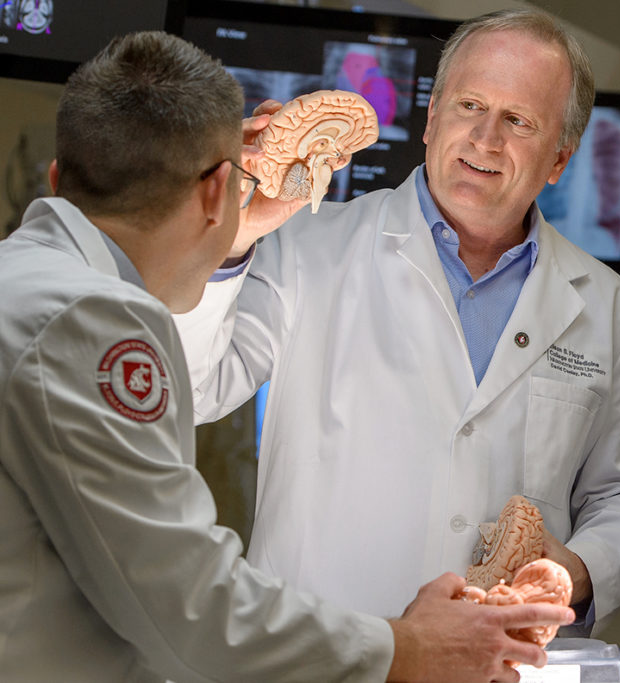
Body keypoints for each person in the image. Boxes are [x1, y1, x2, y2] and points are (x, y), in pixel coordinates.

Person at [0, 30, 575, 682]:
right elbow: (191, 607)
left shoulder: (23, 281)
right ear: (221, 191)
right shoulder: (89, 321)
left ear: (58, 178)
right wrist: (409, 648)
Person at [174, 8, 620, 635]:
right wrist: (234, 236)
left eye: (519, 121)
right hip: (328, 653)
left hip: (505, 659)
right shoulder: (308, 244)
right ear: (432, 119)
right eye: (469, 106)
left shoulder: (607, 306)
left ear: (559, 161)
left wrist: (575, 570)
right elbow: (193, 388)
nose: (485, 139)